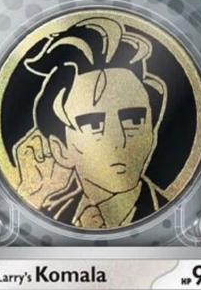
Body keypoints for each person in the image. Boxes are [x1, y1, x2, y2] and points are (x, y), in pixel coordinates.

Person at [13, 15, 170, 229]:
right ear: (60, 150)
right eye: (94, 125)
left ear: (151, 130)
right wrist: (31, 196)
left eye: (133, 120)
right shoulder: (49, 210)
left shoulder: (180, 216)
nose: (118, 141)